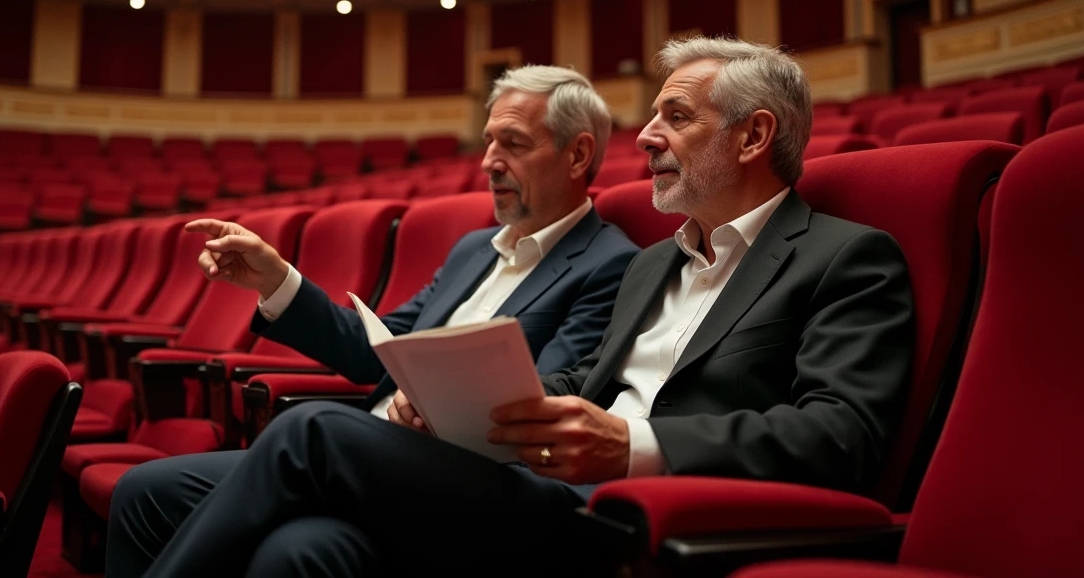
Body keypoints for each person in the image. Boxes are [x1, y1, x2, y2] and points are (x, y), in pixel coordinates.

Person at [110, 38, 915, 578]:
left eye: (675, 117)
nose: (645, 138)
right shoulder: (653, 266)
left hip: (626, 514)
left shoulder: (844, 257)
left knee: (312, 429)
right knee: (293, 544)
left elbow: (841, 435)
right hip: (534, 483)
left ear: (753, 136)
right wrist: (462, 408)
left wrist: (634, 446)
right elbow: (566, 383)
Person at [107, 65, 640, 575]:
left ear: (577, 155)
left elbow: (547, 400)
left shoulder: (609, 263)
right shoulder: (473, 250)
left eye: (514, 144)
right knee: (144, 491)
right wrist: (276, 279)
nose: (489, 162)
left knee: (298, 538)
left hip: (459, 479)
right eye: (488, 142)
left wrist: (438, 405)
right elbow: (375, 351)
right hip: (368, 452)